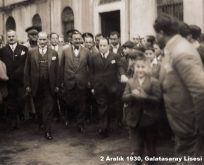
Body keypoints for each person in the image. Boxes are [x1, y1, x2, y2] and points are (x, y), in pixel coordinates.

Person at [154, 14, 204, 161]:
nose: (155, 38)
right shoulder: (173, 49)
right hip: (182, 124)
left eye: (156, 34)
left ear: (161, 33)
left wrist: (200, 128)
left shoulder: (181, 52)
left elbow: (200, 91)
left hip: (189, 126)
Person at [123, 55, 161, 165]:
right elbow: (124, 97)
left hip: (149, 119)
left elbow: (158, 99)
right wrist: (131, 95)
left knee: (150, 147)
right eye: (138, 67)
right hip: (134, 120)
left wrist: (146, 96)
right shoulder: (130, 82)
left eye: (143, 67)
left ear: (148, 68)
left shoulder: (153, 82)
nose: (140, 69)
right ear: (134, 68)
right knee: (136, 148)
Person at [24, 32, 59, 140]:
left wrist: (57, 85)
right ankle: (41, 122)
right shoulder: (31, 52)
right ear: (37, 40)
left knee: (48, 107)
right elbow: (27, 70)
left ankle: (48, 130)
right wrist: (28, 85)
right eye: (40, 40)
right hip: (36, 84)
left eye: (44, 40)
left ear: (47, 40)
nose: (42, 42)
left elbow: (57, 70)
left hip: (49, 84)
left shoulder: (53, 53)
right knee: (38, 107)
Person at [60, 30, 90, 133]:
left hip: (82, 82)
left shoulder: (86, 51)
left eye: (79, 39)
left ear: (81, 40)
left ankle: (80, 124)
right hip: (69, 81)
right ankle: (68, 119)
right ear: (71, 40)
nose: (77, 40)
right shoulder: (65, 51)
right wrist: (62, 81)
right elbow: (61, 66)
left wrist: (89, 80)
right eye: (75, 39)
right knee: (69, 103)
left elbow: (89, 67)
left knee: (81, 104)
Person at [90, 37, 120, 138]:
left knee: (111, 108)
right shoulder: (94, 57)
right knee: (102, 108)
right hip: (99, 87)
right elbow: (92, 73)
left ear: (108, 46)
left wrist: (118, 84)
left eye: (104, 45)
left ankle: (111, 126)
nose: (102, 47)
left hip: (112, 87)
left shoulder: (115, 56)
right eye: (100, 45)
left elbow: (119, 71)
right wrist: (93, 86)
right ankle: (103, 128)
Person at [0, 30, 28, 129]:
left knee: (21, 99)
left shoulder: (23, 49)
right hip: (8, 80)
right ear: (7, 38)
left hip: (20, 80)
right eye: (9, 37)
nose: (11, 38)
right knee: (10, 100)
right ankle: (13, 121)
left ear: (16, 36)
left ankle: (20, 117)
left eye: (13, 36)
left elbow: (25, 64)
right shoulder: (3, 50)